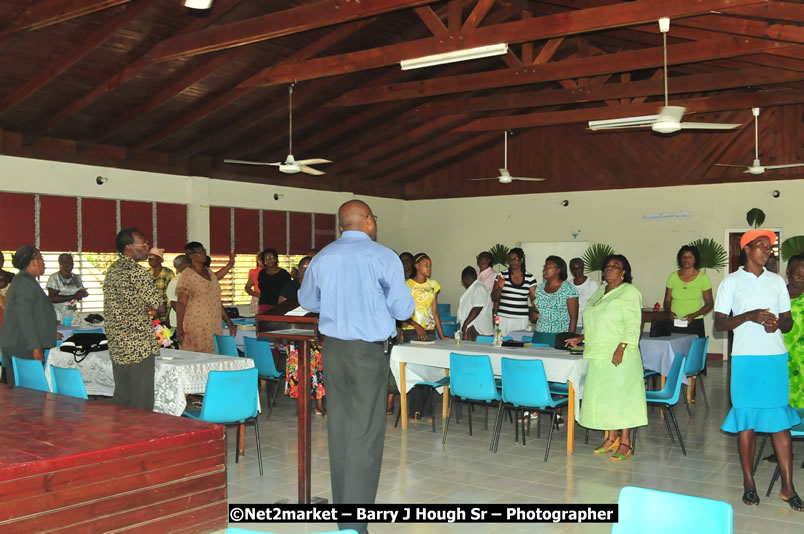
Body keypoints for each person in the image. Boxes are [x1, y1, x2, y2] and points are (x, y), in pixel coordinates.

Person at [298, 199, 414, 534]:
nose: (375, 223)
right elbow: (403, 310)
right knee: (365, 433)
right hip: (367, 352)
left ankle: (343, 513)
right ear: (366, 220)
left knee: (340, 430)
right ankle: (356, 522)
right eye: (373, 218)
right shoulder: (383, 256)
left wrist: (337, 301)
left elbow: (307, 301)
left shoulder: (324, 256)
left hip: (333, 349)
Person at [714, 230, 802, 511]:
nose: (767, 251)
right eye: (761, 246)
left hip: (774, 358)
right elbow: (719, 324)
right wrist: (750, 316)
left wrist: (778, 324)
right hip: (745, 359)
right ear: (746, 250)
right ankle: (749, 482)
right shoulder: (731, 282)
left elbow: (787, 322)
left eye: (769, 247)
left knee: (781, 423)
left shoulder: (777, 282)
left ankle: (788, 487)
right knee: (746, 421)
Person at [566, 254, 647, 461]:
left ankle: (626, 442)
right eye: (608, 265)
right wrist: (581, 337)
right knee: (605, 397)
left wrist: (621, 348)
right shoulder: (601, 291)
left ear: (623, 272)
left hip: (621, 354)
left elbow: (633, 323)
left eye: (616, 266)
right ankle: (611, 438)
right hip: (598, 353)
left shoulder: (629, 292)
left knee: (623, 398)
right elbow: (595, 321)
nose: (610, 268)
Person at [103, 228, 163, 410]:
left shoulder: (112, 270)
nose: (147, 247)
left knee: (123, 396)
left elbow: (124, 303)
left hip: (118, 342)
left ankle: (122, 437)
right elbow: (159, 305)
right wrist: (152, 308)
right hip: (138, 345)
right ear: (129, 247)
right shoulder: (138, 272)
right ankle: (142, 436)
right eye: (143, 243)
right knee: (141, 400)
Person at [0, 246, 57, 387]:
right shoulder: (25, 282)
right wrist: (35, 347)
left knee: (22, 393)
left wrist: (47, 330)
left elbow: (32, 313)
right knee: (29, 393)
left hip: (18, 342)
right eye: (41, 258)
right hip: (23, 345)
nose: (44, 262)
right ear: (33, 262)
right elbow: (24, 316)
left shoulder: (23, 281)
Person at [278, 257, 325, 415]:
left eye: (310, 267)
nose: (306, 270)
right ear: (298, 270)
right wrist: (279, 336)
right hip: (295, 333)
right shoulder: (291, 286)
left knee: (318, 370)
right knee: (298, 371)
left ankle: (319, 404)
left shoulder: (321, 285)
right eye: (303, 266)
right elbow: (281, 308)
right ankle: (302, 405)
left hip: (317, 334)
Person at [175, 242, 237, 354]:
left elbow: (215, 301)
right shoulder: (187, 275)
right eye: (199, 251)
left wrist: (228, 321)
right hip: (195, 326)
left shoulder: (209, 272)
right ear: (191, 256)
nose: (203, 253)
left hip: (213, 325)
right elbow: (181, 303)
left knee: (213, 359)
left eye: (203, 250)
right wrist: (179, 328)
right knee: (196, 360)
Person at [664, 245, 714, 338]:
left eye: (689, 257)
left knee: (694, 352)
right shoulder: (673, 277)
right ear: (680, 259)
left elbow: (710, 303)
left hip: (695, 322)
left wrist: (694, 315)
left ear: (695, 260)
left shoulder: (703, 278)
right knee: (674, 351)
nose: (686, 259)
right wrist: (669, 313)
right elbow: (667, 301)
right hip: (675, 322)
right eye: (684, 257)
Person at [532, 255, 579, 346]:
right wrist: (534, 315)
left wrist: (570, 339)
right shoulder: (539, 288)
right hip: (539, 335)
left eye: (549, 266)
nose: (545, 269)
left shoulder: (569, 289)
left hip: (560, 337)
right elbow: (537, 311)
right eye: (544, 266)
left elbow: (573, 318)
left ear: (558, 270)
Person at [491, 247, 537, 336]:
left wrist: (539, 312)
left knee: (518, 347)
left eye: (515, 259)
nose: (512, 261)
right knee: (500, 345)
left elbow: (534, 299)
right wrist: (500, 287)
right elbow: (494, 298)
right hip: (503, 319)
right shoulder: (502, 275)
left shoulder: (530, 278)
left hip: (521, 319)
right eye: (510, 259)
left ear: (521, 260)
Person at [401, 253, 446, 342]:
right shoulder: (407, 285)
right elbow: (402, 311)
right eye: (426, 265)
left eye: (430, 266)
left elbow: (435, 311)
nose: (429, 268)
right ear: (417, 266)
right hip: (412, 330)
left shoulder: (434, 285)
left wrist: (442, 336)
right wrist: (417, 326)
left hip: (429, 330)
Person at [786, 254, 804, 409]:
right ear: (788, 272)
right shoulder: (778, 296)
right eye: (797, 273)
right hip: (781, 356)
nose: (801, 278)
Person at [46, 253, 89, 318]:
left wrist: (82, 294)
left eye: (72, 262)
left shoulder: (76, 278)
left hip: (72, 311)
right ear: (60, 263)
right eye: (67, 262)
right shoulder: (54, 278)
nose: (70, 264)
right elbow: (52, 298)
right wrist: (74, 296)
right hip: (58, 314)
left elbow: (78, 296)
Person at [457, 266, 493, 341]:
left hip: (478, 330)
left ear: (465, 279)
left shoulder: (478, 287)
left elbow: (477, 308)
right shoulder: (474, 288)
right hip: (473, 329)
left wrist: (466, 323)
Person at [257, 248, 291, 314]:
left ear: (276, 259)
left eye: (272, 257)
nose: (269, 259)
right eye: (266, 258)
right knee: (263, 323)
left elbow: (288, 291)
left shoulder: (284, 273)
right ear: (264, 261)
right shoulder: (262, 273)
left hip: (279, 305)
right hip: (264, 304)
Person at [570, 257, 599, 331]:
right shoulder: (569, 285)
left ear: (583, 268)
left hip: (587, 325)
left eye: (579, 268)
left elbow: (597, 304)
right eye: (574, 269)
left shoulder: (592, 284)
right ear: (571, 270)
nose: (577, 271)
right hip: (572, 325)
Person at [147, 248, 174, 324]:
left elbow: (172, 294)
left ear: (160, 260)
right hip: (150, 316)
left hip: (165, 316)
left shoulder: (168, 273)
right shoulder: (146, 274)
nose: (150, 260)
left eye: (152, 258)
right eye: (149, 258)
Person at [166, 254, 190, 328]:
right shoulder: (175, 282)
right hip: (179, 324)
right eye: (189, 262)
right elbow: (175, 305)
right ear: (182, 265)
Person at [244, 251, 264, 315]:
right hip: (258, 298)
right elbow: (247, 288)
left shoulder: (275, 272)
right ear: (258, 261)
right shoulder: (255, 272)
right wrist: (258, 295)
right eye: (262, 260)